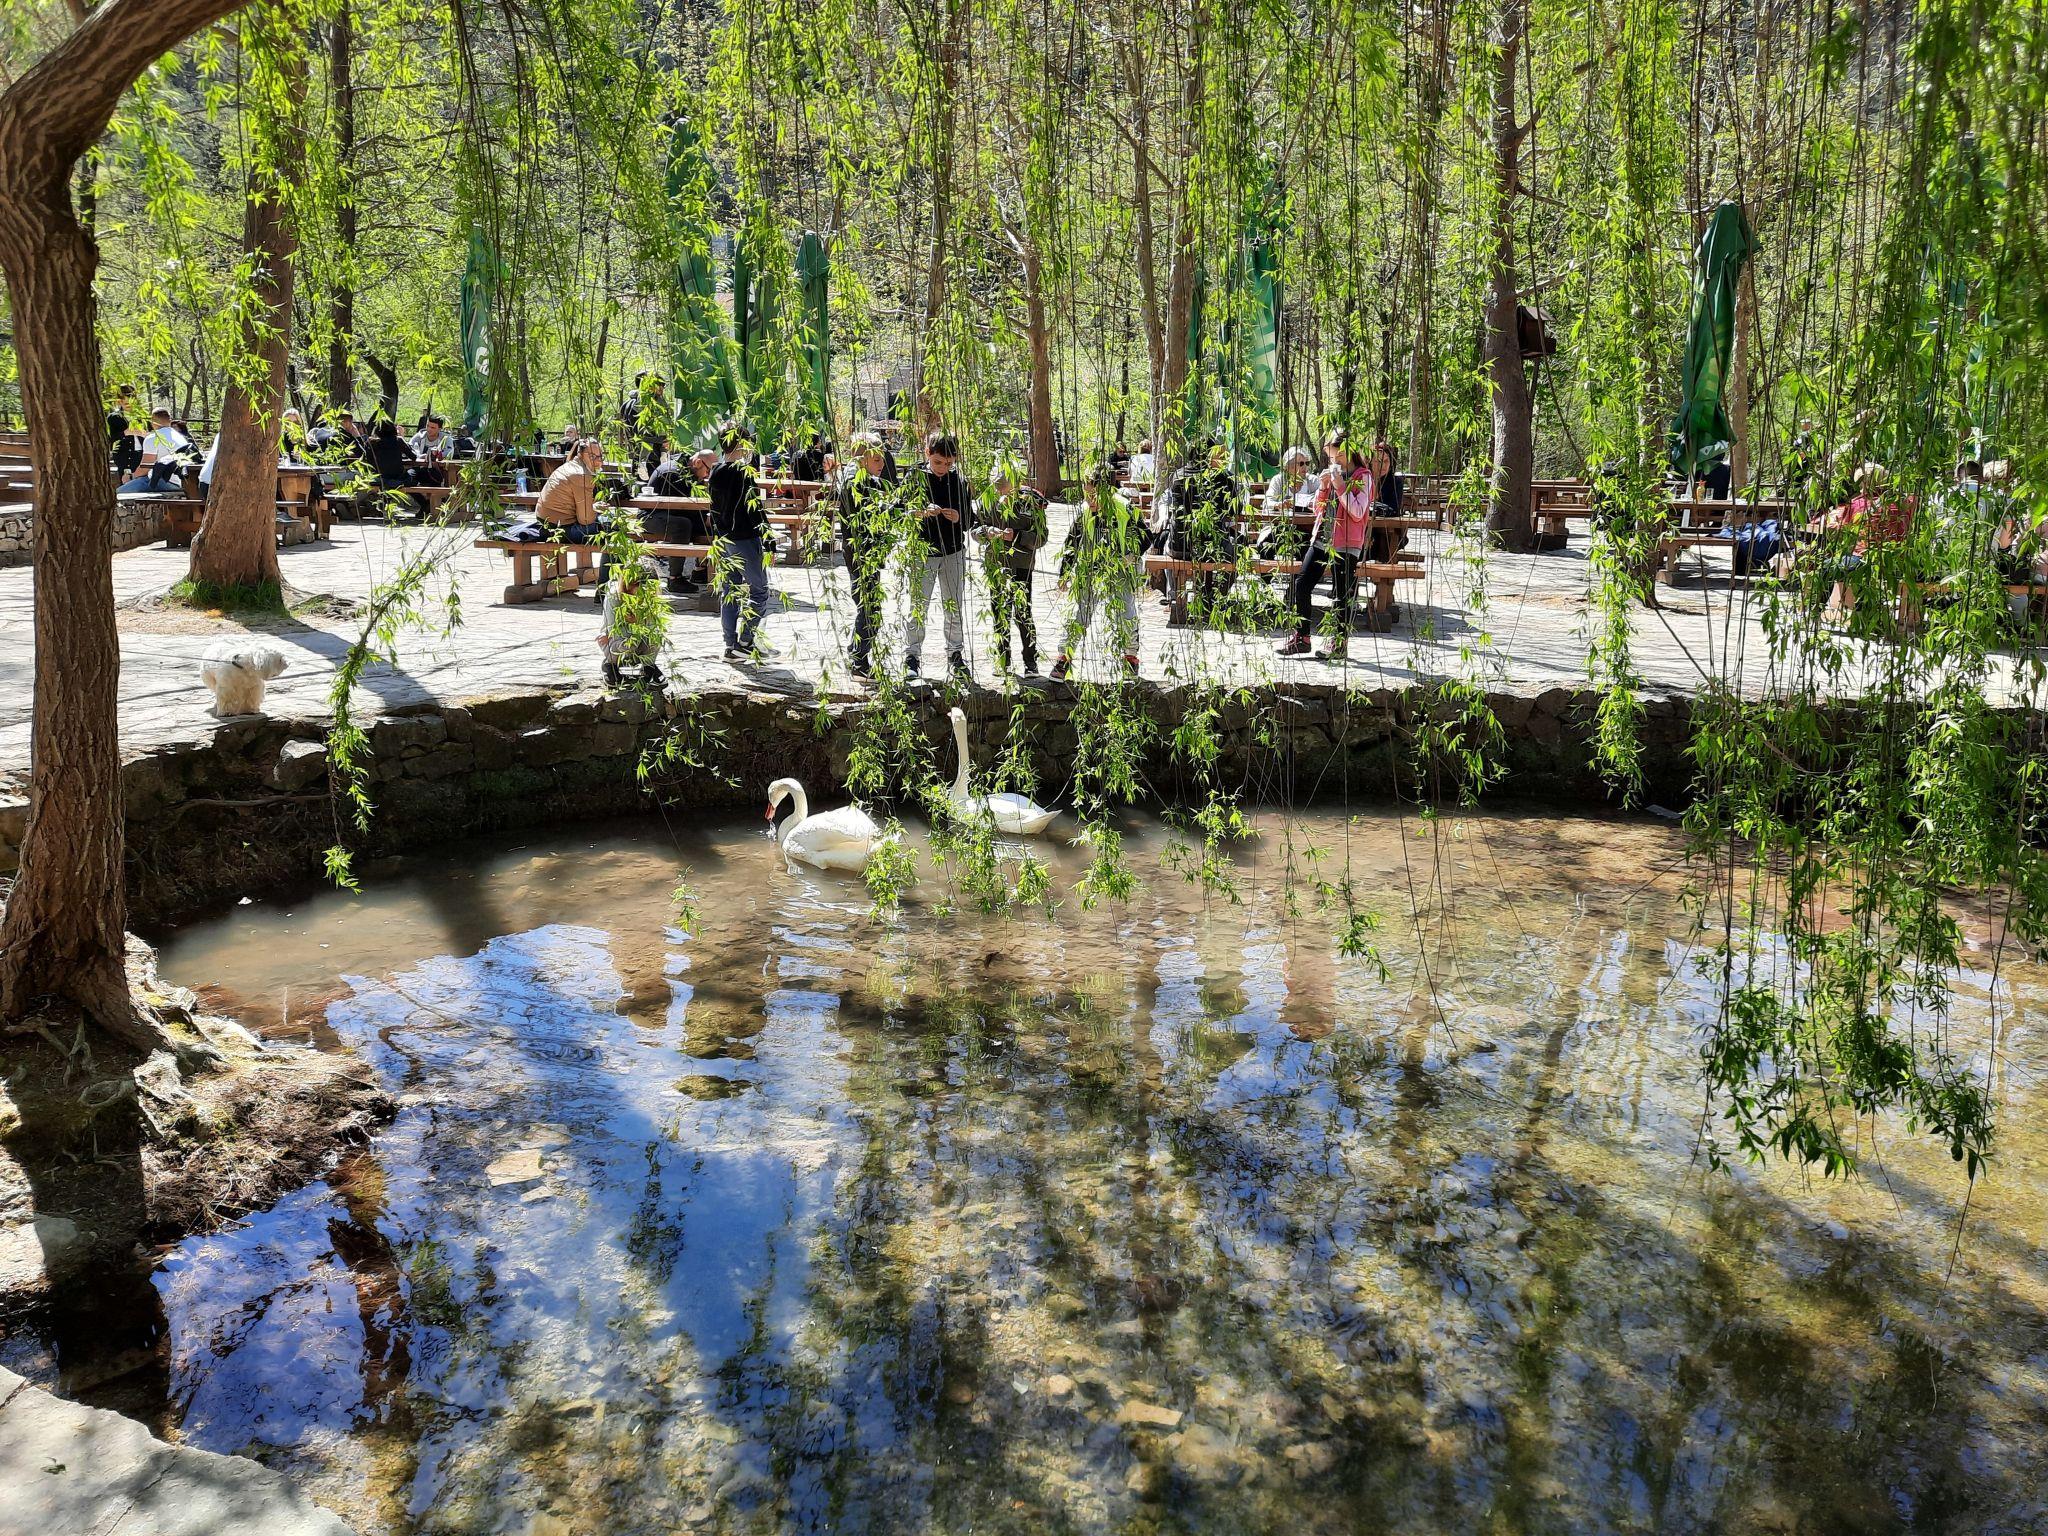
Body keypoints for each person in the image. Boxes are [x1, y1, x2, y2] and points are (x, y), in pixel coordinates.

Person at [1279, 431, 1375, 661]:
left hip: (1347, 542)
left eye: (1337, 455)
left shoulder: (1363, 476)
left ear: (1349, 451)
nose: (1334, 460)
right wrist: (1323, 487)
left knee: (1342, 594)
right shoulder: (1332, 474)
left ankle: (1339, 643)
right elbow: (1317, 509)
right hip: (1323, 538)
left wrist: (1339, 485)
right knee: (1301, 584)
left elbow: (1358, 511)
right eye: (1331, 457)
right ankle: (1302, 638)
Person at [1052, 461, 1144, 680]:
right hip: (1090, 571)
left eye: (1093, 495)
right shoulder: (1084, 512)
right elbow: (1072, 543)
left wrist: (1131, 556)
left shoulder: (1125, 508)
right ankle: (1064, 658)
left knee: (1126, 614)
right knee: (1078, 614)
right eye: (1086, 494)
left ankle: (1130, 659)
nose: (1088, 500)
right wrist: (1064, 573)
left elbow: (1146, 536)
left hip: (1120, 571)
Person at [1807, 461, 1915, 625]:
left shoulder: (1858, 504)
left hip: (1864, 559)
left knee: (1827, 568)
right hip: (1897, 560)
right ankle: (1865, 616)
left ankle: (1816, 612)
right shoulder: (1902, 503)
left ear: (1864, 482)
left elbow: (1837, 524)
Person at [904, 430, 974, 679]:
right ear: (927, 454)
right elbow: (900, 511)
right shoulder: (915, 477)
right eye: (938, 462)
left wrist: (958, 517)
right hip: (923, 551)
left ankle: (955, 654)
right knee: (918, 605)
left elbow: (970, 520)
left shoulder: (959, 480)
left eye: (948, 463)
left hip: (953, 551)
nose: (943, 468)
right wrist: (921, 512)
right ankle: (911, 656)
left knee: (953, 605)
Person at [709, 420, 773, 661]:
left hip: (724, 539)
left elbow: (714, 510)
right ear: (742, 444)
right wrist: (768, 538)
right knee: (760, 591)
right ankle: (745, 640)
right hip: (745, 538)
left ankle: (730, 643)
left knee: (730, 591)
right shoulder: (742, 472)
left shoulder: (715, 471)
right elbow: (755, 510)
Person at [979, 458, 1047, 675]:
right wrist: (986, 533)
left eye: (1005, 487)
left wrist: (1017, 536)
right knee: (1000, 613)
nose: (1001, 492)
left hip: (1021, 566)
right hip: (996, 566)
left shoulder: (1031, 502)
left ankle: (1030, 661)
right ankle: (1002, 660)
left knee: (1023, 613)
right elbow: (974, 529)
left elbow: (1042, 537)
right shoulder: (987, 501)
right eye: (997, 487)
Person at [837, 432, 897, 678]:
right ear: (862, 459)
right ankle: (859, 660)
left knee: (868, 605)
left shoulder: (859, 478)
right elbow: (871, 516)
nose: (882, 464)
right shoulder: (856, 482)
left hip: (863, 551)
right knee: (869, 607)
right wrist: (899, 508)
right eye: (877, 460)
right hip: (862, 552)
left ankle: (856, 652)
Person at [599, 564, 665, 691]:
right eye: (640, 586)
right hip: (618, 641)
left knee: (655, 637)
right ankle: (611, 664)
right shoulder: (614, 597)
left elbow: (652, 627)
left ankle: (648, 667)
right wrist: (633, 625)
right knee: (628, 643)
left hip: (641, 641)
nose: (645, 593)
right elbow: (611, 629)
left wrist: (640, 621)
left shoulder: (651, 600)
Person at [117, 409, 194, 494]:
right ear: (170, 421)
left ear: (152, 422)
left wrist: (130, 477)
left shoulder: (153, 438)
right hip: (181, 482)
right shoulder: (179, 437)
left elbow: (145, 468)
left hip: (164, 482)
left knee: (118, 494)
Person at [108, 385, 143, 476]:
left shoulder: (143, 416)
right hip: (124, 455)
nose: (126, 402)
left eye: (130, 398)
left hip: (143, 455)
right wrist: (126, 433)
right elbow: (111, 438)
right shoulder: (114, 417)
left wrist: (145, 434)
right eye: (122, 400)